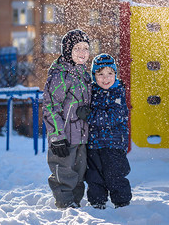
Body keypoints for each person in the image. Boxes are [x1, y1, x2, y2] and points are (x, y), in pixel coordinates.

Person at [43, 29, 92, 209]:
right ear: (67, 51)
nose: (82, 53)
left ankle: (75, 204)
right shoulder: (60, 75)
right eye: (77, 48)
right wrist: (57, 137)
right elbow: (50, 107)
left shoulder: (84, 75)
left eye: (86, 48)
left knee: (79, 174)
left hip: (81, 136)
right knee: (63, 172)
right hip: (63, 138)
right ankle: (65, 205)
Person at [85, 54, 132, 209]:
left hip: (114, 145)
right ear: (94, 76)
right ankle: (97, 203)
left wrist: (89, 116)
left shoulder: (118, 92)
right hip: (94, 145)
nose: (106, 78)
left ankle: (122, 203)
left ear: (115, 75)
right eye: (100, 74)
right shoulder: (92, 92)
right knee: (94, 176)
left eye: (110, 74)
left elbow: (113, 117)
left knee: (115, 176)